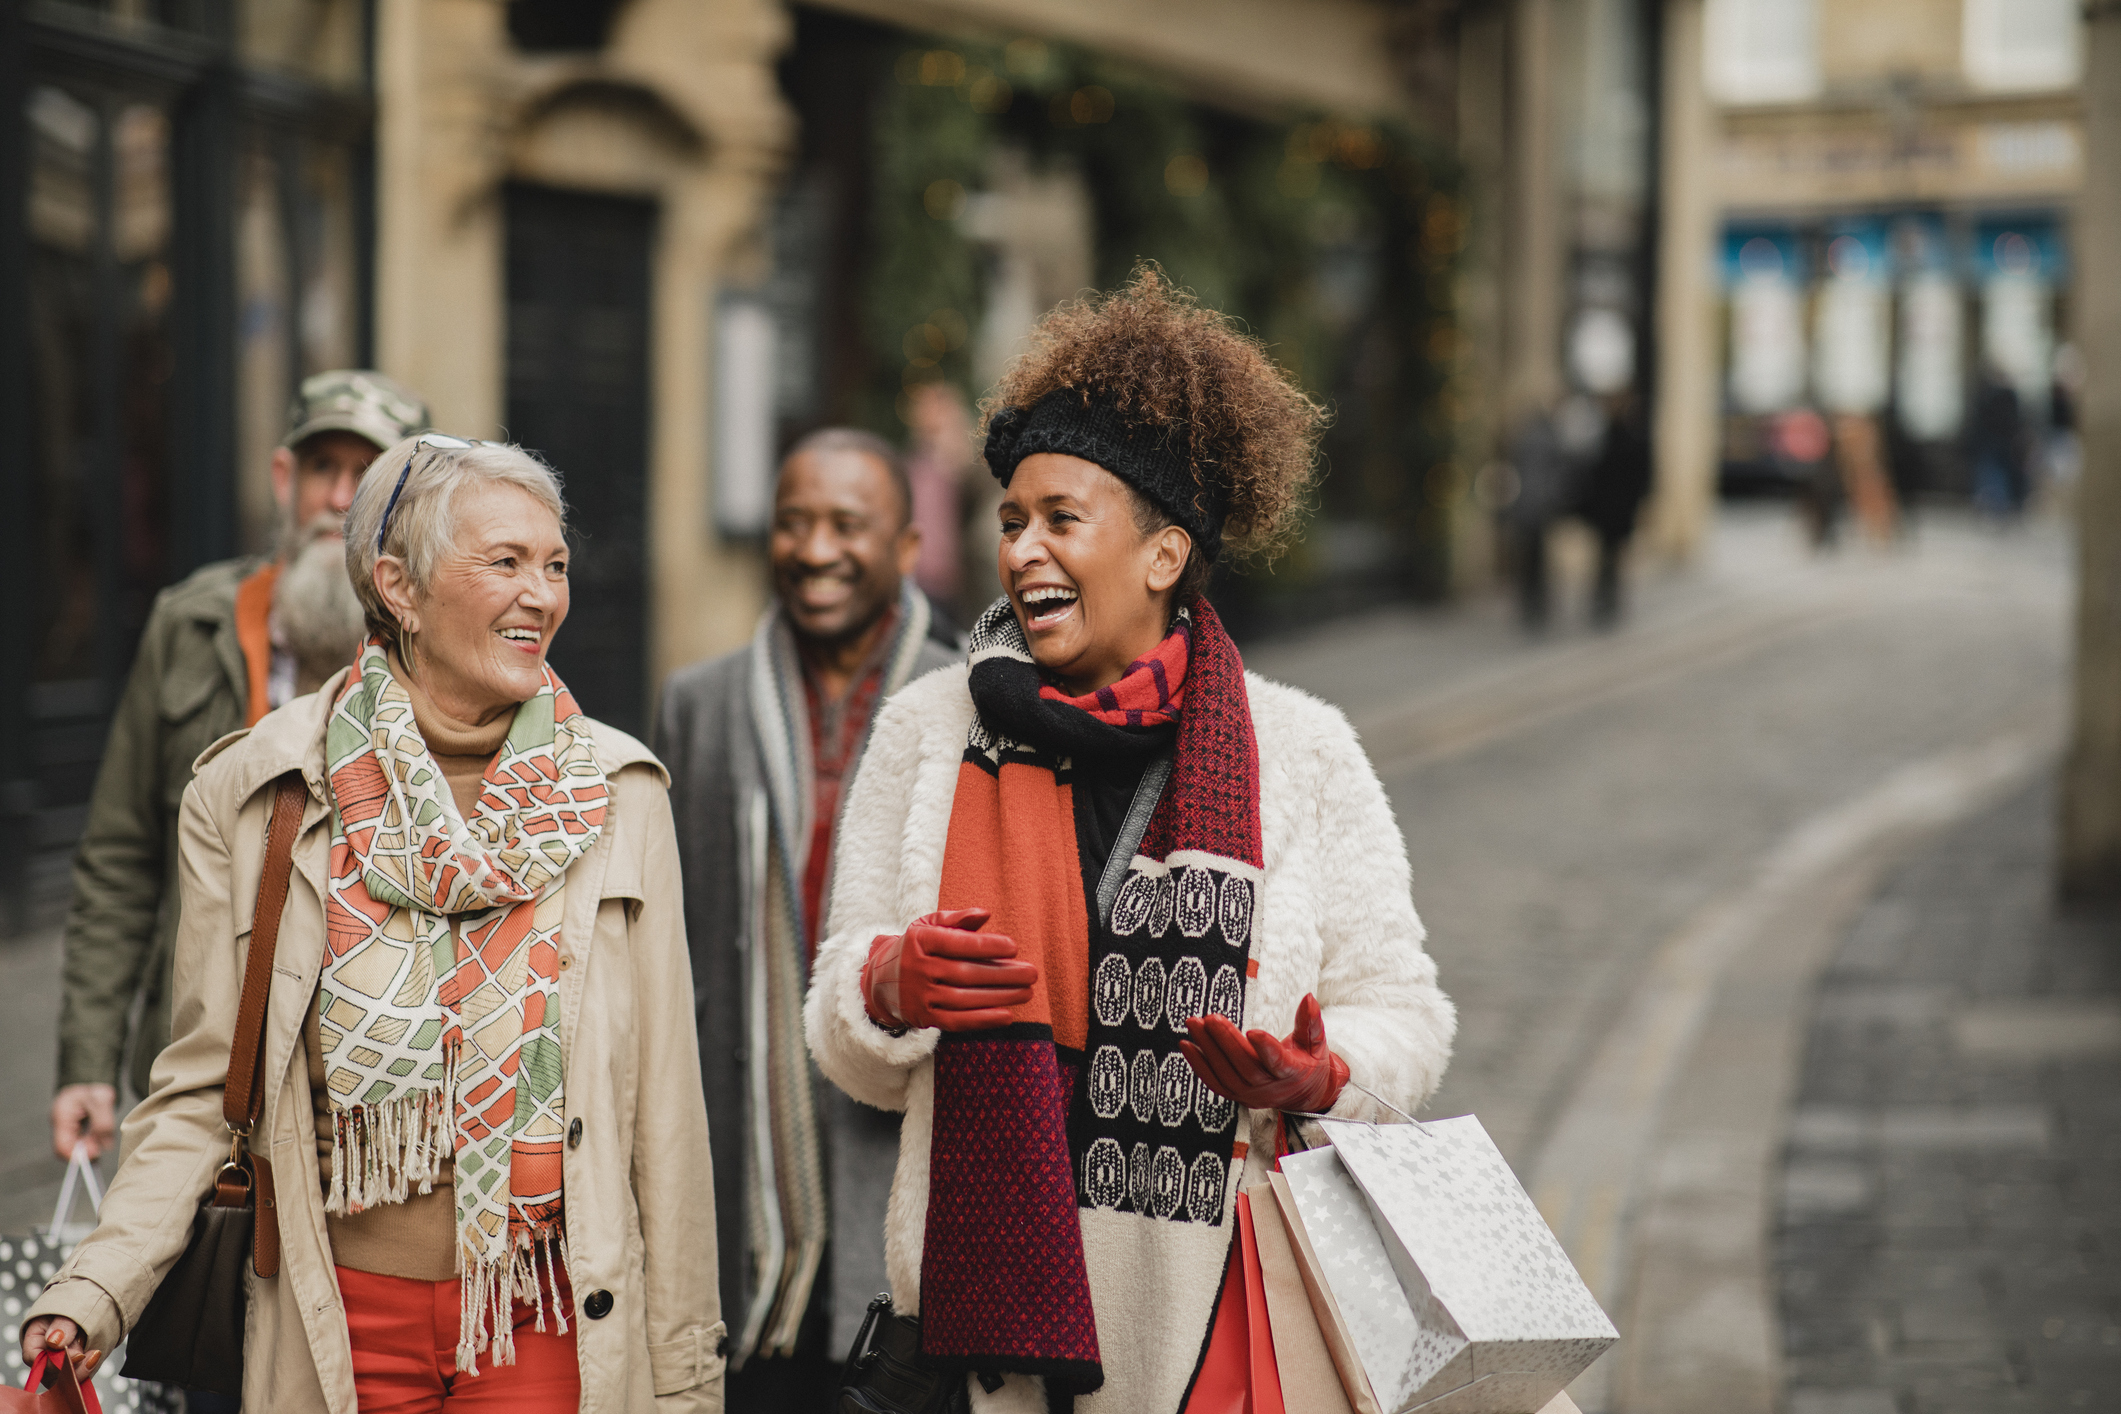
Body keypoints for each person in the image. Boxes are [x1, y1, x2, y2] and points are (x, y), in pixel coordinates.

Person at [803, 270, 1455, 1413]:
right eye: (1011, 520)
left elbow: (1404, 1011)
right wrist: (891, 984)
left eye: (1062, 520)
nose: (1023, 552)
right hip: (979, 1339)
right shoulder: (928, 729)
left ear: (1163, 556)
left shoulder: (1298, 749)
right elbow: (841, 1033)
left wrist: (1321, 1070)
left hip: (1215, 1321)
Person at [24, 436, 724, 1412]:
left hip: (541, 1315)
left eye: (555, 564)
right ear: (397, 586)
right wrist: (91, 1292)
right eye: (505, 562)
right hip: (336, 1324)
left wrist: (688, 1379)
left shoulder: (620, 793)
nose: (543, 594)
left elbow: (668, 1121)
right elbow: (198, 1090)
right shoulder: (259, 789)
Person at [52, 369, 430, 1165]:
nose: (339, 498)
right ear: (284, 479)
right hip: (193, 1064)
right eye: (323, 468)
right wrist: (87, 1064)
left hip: (363, 1089)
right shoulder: (190, 624)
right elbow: (120, 859)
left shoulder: (439, 653)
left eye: (368, 476)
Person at [654, 428, 959, 1404]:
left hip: (908, 1189)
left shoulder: (973, 704)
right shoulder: (696, 706)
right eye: (793, 522)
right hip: (740, 1191)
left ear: (907, 548)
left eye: (846, 523)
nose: (815, 547)